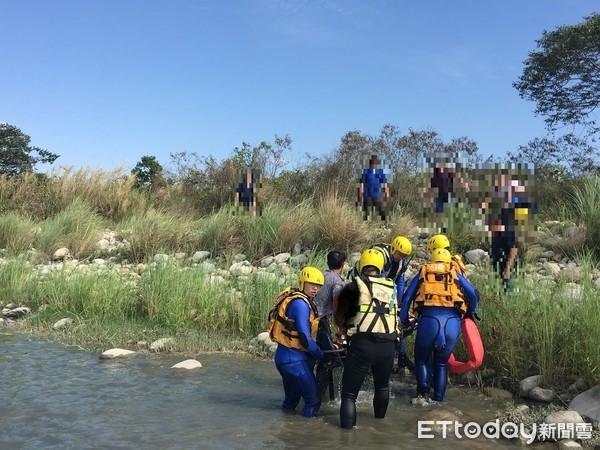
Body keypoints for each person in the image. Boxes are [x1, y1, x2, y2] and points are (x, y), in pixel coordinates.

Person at [400, 248, 479, 403]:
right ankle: (438, 402)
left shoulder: (424, 271)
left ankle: (422, 395)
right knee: (441, 363)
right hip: (452, 322)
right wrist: (472, 310)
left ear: (432, 260)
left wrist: (403, 319)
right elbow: (473, 293)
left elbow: (407, 297)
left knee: (422, 359)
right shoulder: (455, 273)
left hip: (429, 320)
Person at [334, 249, 398, 429]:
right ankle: (380, 426)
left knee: (349, 395)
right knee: (382, 387)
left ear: (361, 265)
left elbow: (341, 316)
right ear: (380, 267)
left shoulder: (355, 285)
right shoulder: (391, 286)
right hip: (388, 346)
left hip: (363, 345)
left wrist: (342, 331)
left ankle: (346, 437)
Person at [267, 267, 325, 417]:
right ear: (302, 282)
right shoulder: (301, 304)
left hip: (282, 359)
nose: (315, 289)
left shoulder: (294, 298)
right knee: (313, 401)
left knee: (291, 400)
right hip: (294, 361)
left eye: (318, 286)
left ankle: (286, 429)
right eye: (312, 284)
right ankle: (305, 436)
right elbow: (305, 339)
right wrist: (322, 356)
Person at [312, 250, 347, 400]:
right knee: (328, 358)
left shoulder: (320, 275)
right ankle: (319, 395)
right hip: (321, 320)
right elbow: (336, 303)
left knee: (312, 354)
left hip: (310, 318)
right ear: (343, 265)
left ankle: (313, 389)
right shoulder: (337, 281)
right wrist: (341, 329)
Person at [358, 154, 389, 221]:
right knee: (366, 212)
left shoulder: (380, 172)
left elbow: (385, 184)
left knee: (382, 211)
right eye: (372, 163)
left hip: (378, 195)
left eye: (375, 163)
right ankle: (365, 225)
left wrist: (386, 193)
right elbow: (362, 184)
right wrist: (361, 194)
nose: (374, 164)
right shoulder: (365, 172)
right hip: (367, 195)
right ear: (370, 163)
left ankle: (385, 225)